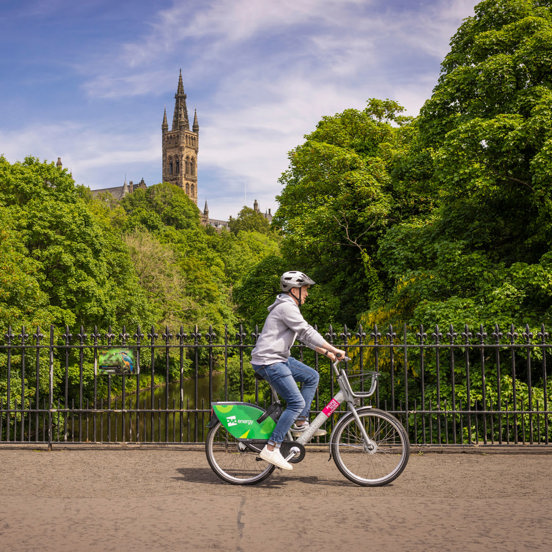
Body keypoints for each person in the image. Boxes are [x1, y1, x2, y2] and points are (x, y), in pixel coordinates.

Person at [251, 271, 346, 470]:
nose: (307, 294)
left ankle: (300, 421)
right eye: (305, 290)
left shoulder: (288, 307)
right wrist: (334, 348)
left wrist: (326, 353)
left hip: (279, 358)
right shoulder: (286, 307)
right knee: (295, 402)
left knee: (312, 376)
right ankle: (272, 447)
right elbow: (307, 331)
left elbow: (303, 337)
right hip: (270, 361)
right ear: (294, 290)